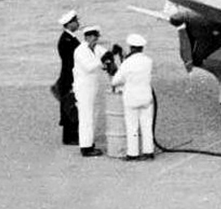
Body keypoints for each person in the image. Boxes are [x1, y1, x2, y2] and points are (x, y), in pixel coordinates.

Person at [110, 33, 155, 161]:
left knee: (132, 127)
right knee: (147, 125)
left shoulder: (127, 63)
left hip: (132, 98)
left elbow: (115, 81)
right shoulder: (148, 61)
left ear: (131, 47)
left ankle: (133, 153)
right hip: (146, 97)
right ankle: (148, 151)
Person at [72, 25, 106, 157]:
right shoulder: (80, 51)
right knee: (86, 116)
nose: (95, 40)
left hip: (94, 87)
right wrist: (102, 61)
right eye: (92, 37)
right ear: (86, 37)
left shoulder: (96, 48)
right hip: (83, 88)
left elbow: (104, 53)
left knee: (94, 115)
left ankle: (90, 142)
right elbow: (89, 67)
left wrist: (111, 54)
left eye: (96, 37)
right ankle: (86, 147)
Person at [51, 10, 82, 145]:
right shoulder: (66, 40)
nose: (78, 23)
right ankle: (70, 137)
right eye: (75, 21)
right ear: (69, 24)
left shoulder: (70, 38)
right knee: (69, 106)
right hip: (69, 77)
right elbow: (70, 62)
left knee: (70, 105)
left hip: (69, 76)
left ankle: (72, 135)